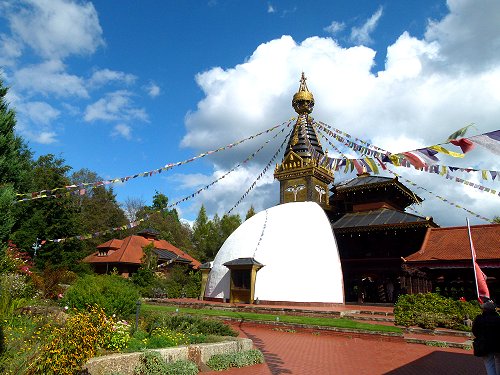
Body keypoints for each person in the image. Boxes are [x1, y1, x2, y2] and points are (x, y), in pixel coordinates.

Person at [472, 300, 500, 375]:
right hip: (498, 344)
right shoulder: (498, 319)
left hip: (484, 344)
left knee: (489, 364)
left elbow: (474, 330)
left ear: (484, 309)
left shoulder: (479, 318)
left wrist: (480, 337)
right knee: (498, 361)